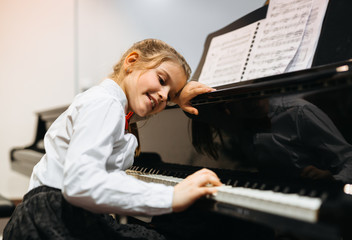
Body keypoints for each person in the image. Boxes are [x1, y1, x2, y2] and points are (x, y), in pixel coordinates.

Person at [3, 39, 222, 240]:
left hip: (49, 212)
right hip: (55, 220)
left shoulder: (113, 105)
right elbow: (82, 183)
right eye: (162, 79)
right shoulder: (105, 104)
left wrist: (179, 94)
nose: (165, 96)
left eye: (170, 95)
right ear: (132, 61)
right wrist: (171, 196)